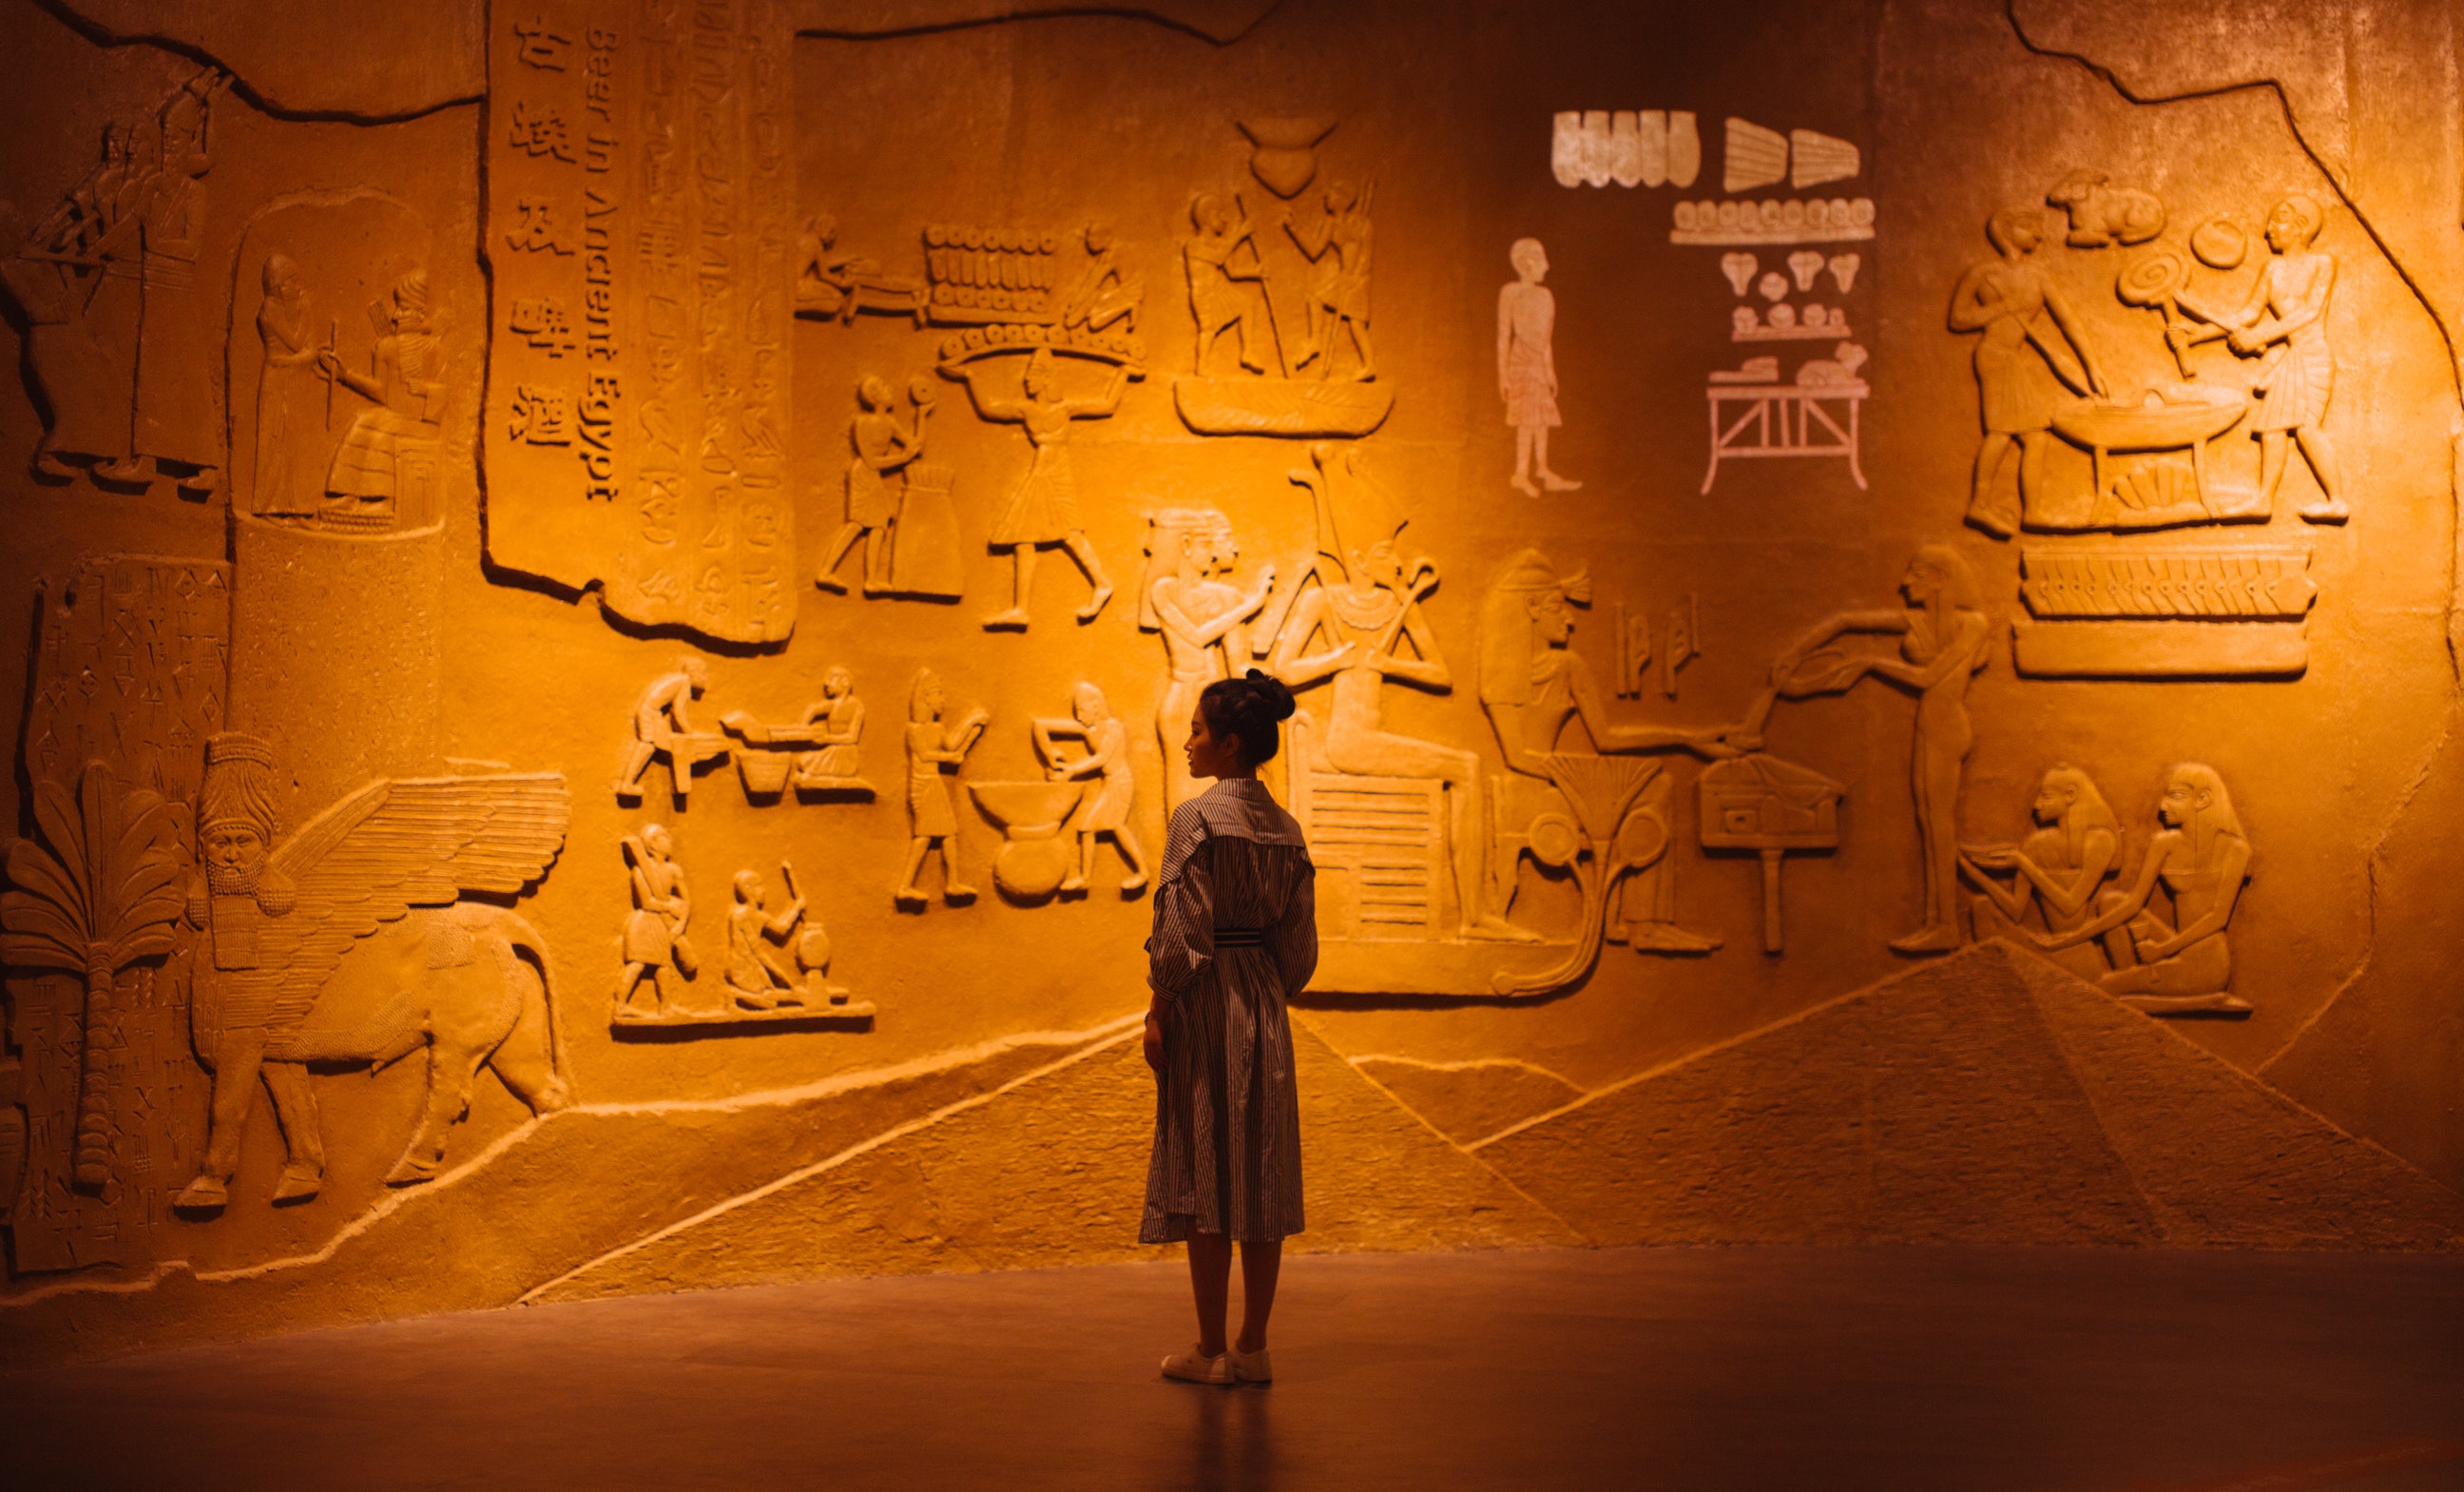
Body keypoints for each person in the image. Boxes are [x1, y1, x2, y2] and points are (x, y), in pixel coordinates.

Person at [1144, 669, 1316, 1388]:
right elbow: (1301, 952)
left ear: (1230, 743)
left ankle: (1211, 1346)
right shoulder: (1288, 828)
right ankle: (1253, 1344)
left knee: (1207, 1167)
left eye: (1197, 730)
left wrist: (1160, 1007)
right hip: (1264, 1004)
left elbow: (1180, 935)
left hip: (1207, 1002)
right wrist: (1265, 982)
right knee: (1263, 1169)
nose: (1187, 742)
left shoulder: (1196, 818)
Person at [1775, 545, 1992, 954]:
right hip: (1928, 725)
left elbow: (1929, 678)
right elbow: (1846, 621)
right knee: (1928, 824)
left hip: (1947, 727)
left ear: (1941, 580)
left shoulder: (1973, 624)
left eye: (1916, 574)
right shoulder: (1922, 621)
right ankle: (1936, 923)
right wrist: (1797, 652)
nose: (1904, 583)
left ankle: (1946, 925)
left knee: (1940, 826)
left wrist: (1871, 664)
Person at [2029, 764, 2253, 1016]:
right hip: (2171, 950)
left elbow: (2218, 918)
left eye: (2175, 796)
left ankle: (2198, 1000)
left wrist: (2162, 950)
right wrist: (2071, 939)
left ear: (2203, 799)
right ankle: (2135, 980)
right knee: (2113, 901)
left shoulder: (2235, 850)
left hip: (2205, 963)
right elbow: (2133, 904)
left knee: (2100, 990)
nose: (2162, 807)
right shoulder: (2164, 844)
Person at [1947, 207, 2106, 536]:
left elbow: (2068, 322)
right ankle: (1981, 505)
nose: (2039, 235)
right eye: (2029, 227)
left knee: (2033, 437)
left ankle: (2031, 512)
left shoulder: (2037, 276)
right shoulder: (1984, 273)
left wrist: (2092, 366)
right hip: (1995, 356)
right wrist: (2001, 308)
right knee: (2002, 433)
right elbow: (1958, 319)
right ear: (2005, 230)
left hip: (2015, 359)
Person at [947, 347, 1122, 629]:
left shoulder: (1066, 408)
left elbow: (1106, 404)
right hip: (1039, 472)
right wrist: (970, 375)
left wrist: (1123, 373)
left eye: (1031, 376)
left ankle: (1102, 583)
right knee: (1025, 537)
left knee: (1070, 533)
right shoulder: (1025, 409)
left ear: (1047, 378)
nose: (1027, 381)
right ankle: (1021, 609)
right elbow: (989, 408)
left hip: (1056, 472)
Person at [1959, 764, 2119, 980]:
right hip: (2043, 947)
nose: (2036, 805)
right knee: (1982, 908)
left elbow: (2070, 906)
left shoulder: (2100, 841)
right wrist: (1974, 874)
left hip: (2075, 951)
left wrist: (2024, 865)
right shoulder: (2036, 843)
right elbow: (2016, 911)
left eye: (2046, 796)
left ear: (2070, 795)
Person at [1032, 681, 1149, 894]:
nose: (1078, 716)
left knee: (1110, 827)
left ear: (1096, 706)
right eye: (1077, 711)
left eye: (1082, 709)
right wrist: (1051, 756)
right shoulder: (1087, 728)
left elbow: (1102, 759)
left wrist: (1071, 771)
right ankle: (1087, 879)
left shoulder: (1114, 726)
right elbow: (1040, 726)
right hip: (1111, 783)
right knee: (1097, 828)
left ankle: (1141, 873)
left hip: (1120, 783)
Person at [1496, 238, 1580, 495]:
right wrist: (1503, 376)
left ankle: (1542, 469)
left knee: (1541, 418)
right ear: (1527, 263)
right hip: (1520, 362)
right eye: (1541, 260)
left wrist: (1550, 370)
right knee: (1525, 420)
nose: (1546, 266)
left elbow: (1546, 340)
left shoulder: (1546, 296)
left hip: (1538, 365)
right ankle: (1521, 473)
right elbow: (1503, 335)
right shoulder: (1511, 292)